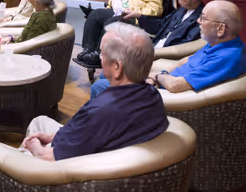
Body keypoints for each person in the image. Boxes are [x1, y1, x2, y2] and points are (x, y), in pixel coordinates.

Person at [19, 22, 168, 161]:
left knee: (33, 132)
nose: (99, 58)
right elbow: (85, 134)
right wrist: (54, 136)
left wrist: (35, 147)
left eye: (102, 53)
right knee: (39, 121)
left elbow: (49, 157)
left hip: (66, 173)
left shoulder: (101, 112)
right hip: (97, 154)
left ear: (117, 67)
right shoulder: (153, 96)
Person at [89, 0, 206, 99]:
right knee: (107, 70)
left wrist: (148, 52)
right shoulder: (181, 10)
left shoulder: (200, 19)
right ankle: (112, 102)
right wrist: (139, 15)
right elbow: (159, 26)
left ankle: (115, 100)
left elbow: (181, 47)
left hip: (160, 55)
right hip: (153, 46)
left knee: (103, 80)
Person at [147, 0, 246, 93]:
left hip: (169, 98)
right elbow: (183, 62)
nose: (198, 21)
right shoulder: (216, 45)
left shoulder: (227, 57)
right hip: (163, 83)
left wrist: (157, 76)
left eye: (203, 18)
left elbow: (175, 85)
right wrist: (161, 74)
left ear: (220, 29)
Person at [76, 0, 162, 65]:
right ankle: (88, 49)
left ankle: (99, 53)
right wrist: (114, 1)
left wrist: (134, 11)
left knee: (112, 21)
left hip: (134, 18)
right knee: (95, 14)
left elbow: (156, 9)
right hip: (118, 11)